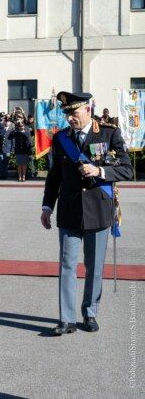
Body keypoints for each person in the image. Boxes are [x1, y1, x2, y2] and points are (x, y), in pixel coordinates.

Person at [41, 91, 133, 336]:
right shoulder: (61, 139)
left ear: (88, 109)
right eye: (67, 113)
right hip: (70, 210)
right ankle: (66, 319)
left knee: (94, 267)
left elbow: (127, 169)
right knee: (67, 265)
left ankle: (90, 312)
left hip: (98, 210)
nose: (70, 118)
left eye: (74, 112)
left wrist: (100, 171)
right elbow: (54, 176)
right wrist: (47, 206)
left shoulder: (108, 133)